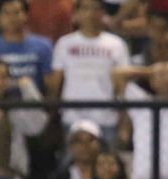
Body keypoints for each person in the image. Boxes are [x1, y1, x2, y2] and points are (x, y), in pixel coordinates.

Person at [48, 0, 132, 140]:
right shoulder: (64, 43)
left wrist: (124, 122)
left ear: (103, 13)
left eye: (95, 8)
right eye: (85, 8)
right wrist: (52, 115)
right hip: (72, 117)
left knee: (107, 160)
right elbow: (56, 83)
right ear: (76, 14)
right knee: (72, 162)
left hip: (106, 117)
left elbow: (123, 86)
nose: (90, 13)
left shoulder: (116, 44)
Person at [0, 0, 54, 87]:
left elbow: (50, 85)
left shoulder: (43, 46)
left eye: (16, 12)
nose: (12, 18)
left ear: (26, 16)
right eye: (6, 13)